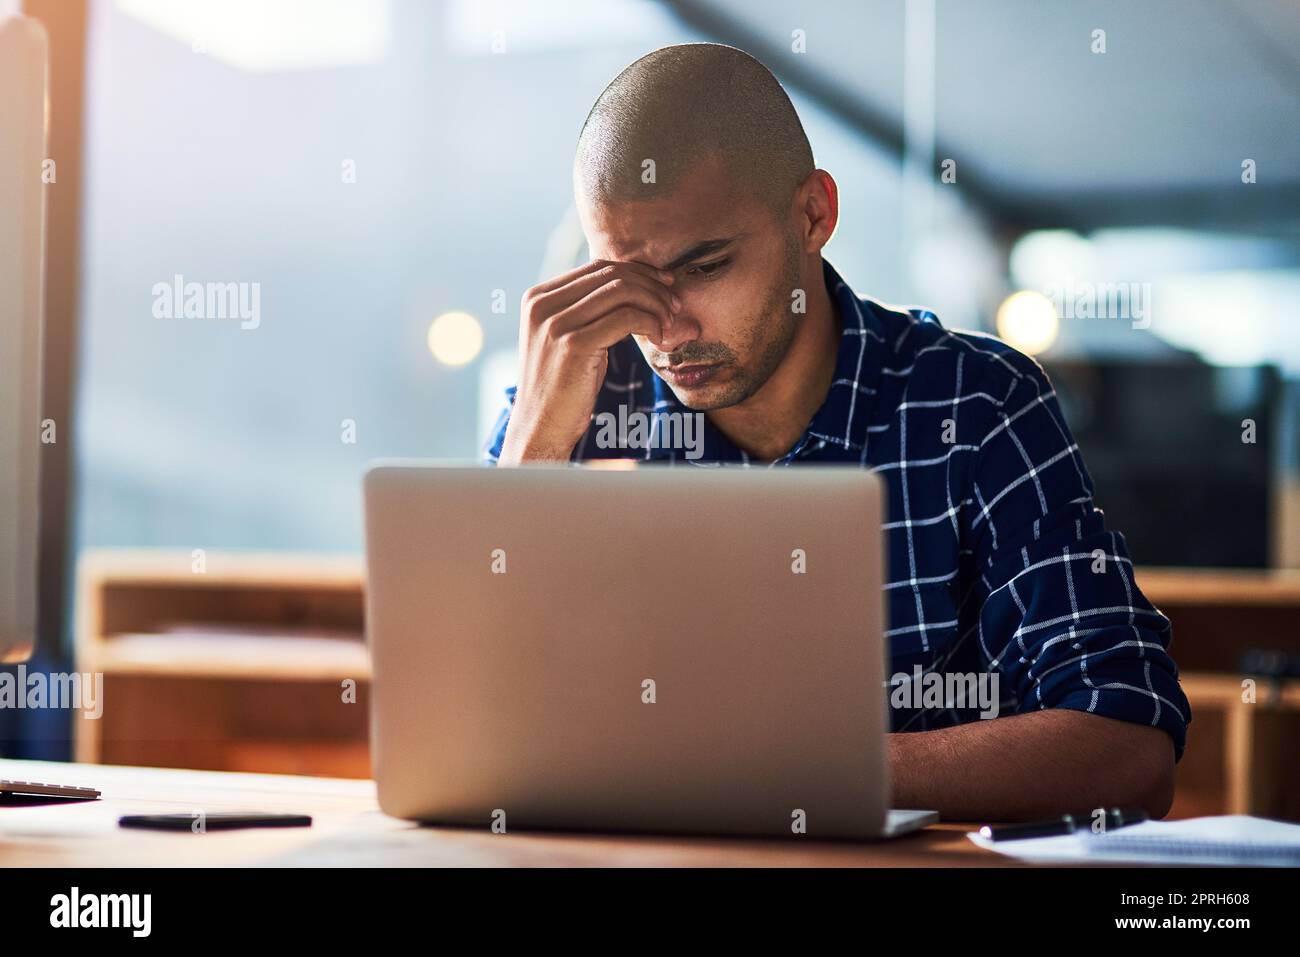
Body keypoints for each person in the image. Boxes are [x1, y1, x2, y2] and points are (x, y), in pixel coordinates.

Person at [485, 43, 1190, 820]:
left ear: (814, 214)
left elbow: (1129, 743)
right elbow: (467, 732)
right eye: (626, 278)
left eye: (705, 266)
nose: (667, 327)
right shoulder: (572, 404)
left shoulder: (976, 406)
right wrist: (529, 460)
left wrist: (793, 770)